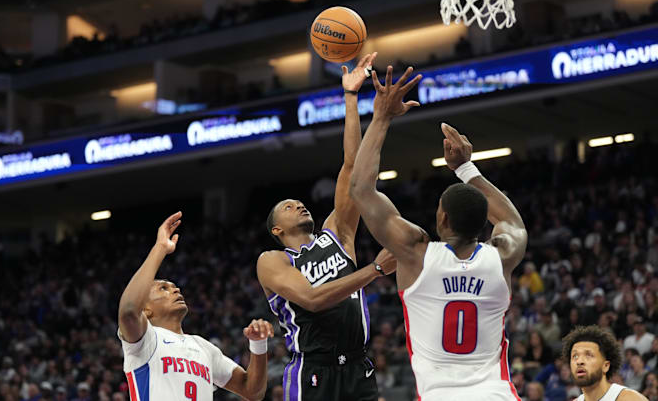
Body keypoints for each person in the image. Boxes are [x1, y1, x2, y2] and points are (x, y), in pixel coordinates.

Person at [349, 64, 527, 400]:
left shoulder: (415, 253)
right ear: (483, 223)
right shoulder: (501, 256)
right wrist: (465, 168)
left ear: (442, 219)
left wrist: (382, 117)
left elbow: (360, 189)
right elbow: (513, 222)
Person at [257, 52, 397, 401]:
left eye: (300, 203)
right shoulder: (273, 261)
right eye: (289, 207)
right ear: (277, 230)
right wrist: (375, 269)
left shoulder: (337, 233)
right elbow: (312, 300)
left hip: (357, 366)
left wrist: (351, 98)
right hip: (313, 370)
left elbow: (352, 166)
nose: (299, 205)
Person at [117, 211, 273, 401]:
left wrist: (258, 343)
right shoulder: (145, 339)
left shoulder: (203, 347)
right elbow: (128, 311)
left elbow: (252, 391)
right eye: (163, 288)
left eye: (175, 287)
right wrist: (160, 248)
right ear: (146, 310)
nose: (175, 290)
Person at [562, 325, 647, 401]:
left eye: (588, 355)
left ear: (605, 366)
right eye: (575, 356)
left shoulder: (630, 398)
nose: (579, 362)